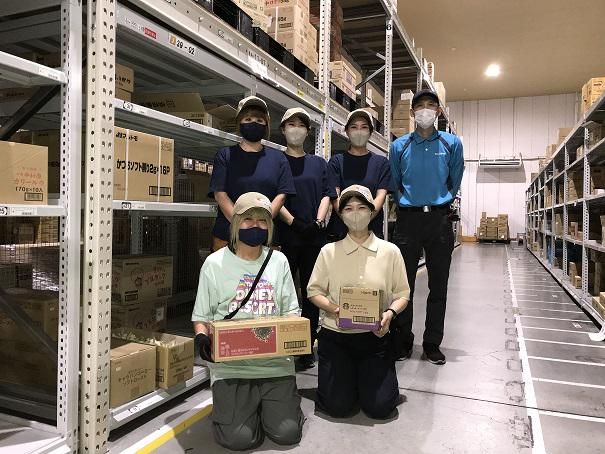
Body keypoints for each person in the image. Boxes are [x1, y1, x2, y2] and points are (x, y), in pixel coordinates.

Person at [192, 192, 304, 451]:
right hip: (232, 367)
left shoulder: (279, 261)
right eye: (248, 219)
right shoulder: (214, 264)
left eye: (263, 221)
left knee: (287, 433)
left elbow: (291, 311)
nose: (256, 226)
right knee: (239, 440)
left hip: (275, 365)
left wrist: (295, 338)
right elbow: (201, 317)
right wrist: (202, 339)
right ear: (235, 222)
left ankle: (268, 408)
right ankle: (240, 410)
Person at [307, 185, 410, 419]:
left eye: (362, 207)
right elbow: (313, 291)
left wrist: (390, 313)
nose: (355, 213)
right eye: (349, 208)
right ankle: (347, 382)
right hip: (336, 336)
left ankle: (365, 381)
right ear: (341, 214)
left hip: (375, 337)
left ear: (372, 211)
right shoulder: (328, 251)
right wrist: (336, 309)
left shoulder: (390, 251)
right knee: (337, 407)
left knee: (380, 408)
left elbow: (403, 293)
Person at [389, 89, 464, 365]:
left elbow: (455, 179)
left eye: (431, 105)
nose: (425, 110)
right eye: (419, 106)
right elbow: (395, 182)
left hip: (438, 220)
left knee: (438, 285)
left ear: (438, 112)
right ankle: (403, 340)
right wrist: (407, 202)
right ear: (412, 113)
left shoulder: (451, 143)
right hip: (408, 220)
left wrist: (440, 201)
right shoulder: (399, 146)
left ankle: (432, 343)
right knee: (403, 284)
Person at [276, 107, 336, 371]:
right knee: (284, 294)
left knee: (312, 293)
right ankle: (284, 345)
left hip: (314, 237)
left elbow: (327, 193)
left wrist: (318, 222)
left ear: (308, 132)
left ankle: (305, 346)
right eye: (291, 124)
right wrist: (293, 222)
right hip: (286, 236)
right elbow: (275, 195)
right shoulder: (276, 161)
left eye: (301, 125)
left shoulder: (318, 163)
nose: (296, 129)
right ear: (283, 129)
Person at [208, 96, 296, 251]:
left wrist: (261, 223)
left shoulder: (278, 159)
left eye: (259, 120)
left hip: (266, 235)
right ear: (239, 123)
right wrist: (240, 224)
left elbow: (281, 195)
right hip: (228, 234)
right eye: (248, 119)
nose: (254, 123)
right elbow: (220, 194)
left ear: (266, 125)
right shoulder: (225, 155)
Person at [326, 109, 393, 241]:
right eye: (354, 127)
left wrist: (363, 221)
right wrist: (350, 220)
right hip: (341, 232)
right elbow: (335, 197)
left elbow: (380, 197)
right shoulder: (336, 161)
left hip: (371, 232)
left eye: (364, 127)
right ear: (346, 131)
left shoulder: (381, 163)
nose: (359, 131)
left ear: (370, 132)